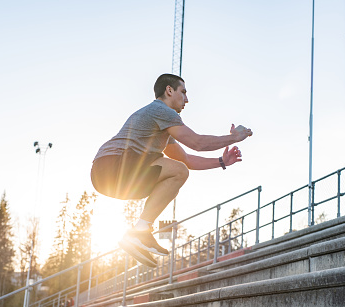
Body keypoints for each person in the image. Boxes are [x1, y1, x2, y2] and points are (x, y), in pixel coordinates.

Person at [91, 73, 252, 267]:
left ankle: (140, 232)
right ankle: (138, 232)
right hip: (111, 165)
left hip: (109, 176)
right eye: (183, 92)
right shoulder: (161, 110)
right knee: (178, 170)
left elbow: (185, 159)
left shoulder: (162, 126)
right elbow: (197, 142)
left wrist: (221, 161)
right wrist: (234, 138)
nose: (187, 99)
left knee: (178, 171)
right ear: (169, 90)